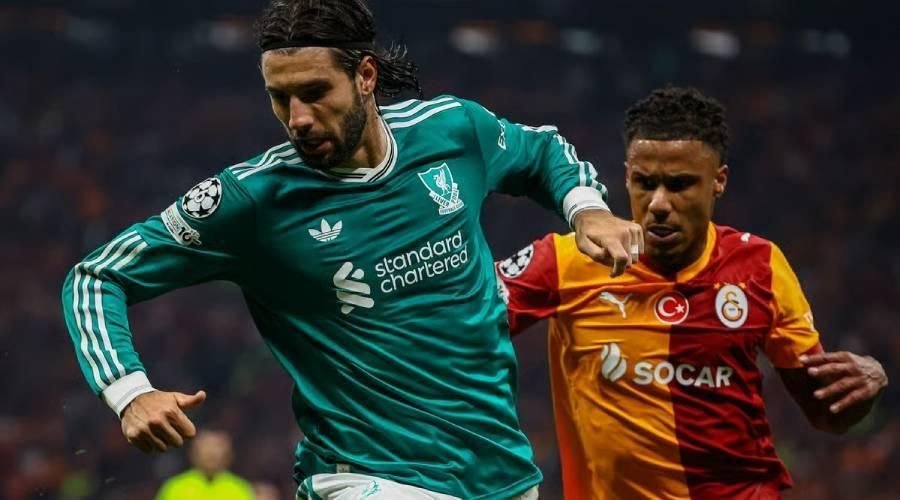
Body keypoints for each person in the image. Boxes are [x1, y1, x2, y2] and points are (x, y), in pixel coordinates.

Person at [60, 1, 642, 498]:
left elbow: (540, 150)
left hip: (502, 474)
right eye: (280, 98)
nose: (297, 118)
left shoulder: (451, 131)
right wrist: (129, 391)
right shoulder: (251, 200)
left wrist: (586, 208)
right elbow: (97, 275)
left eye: (315, 93)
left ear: (365, 75)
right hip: (365, 477)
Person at [497, 87, 889, 499]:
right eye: (645, 183)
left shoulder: (760, 266)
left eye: (680, 185)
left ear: (719, 181)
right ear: (627, 176)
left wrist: (868, 379)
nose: (659, 203)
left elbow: (825, 411)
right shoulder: (569, 261)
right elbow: (461, 318)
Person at [155, 430, 253, 500]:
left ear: (228, 455)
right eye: (206, 447)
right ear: (194, 454)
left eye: (216, 447)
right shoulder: (174, 487)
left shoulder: (240, 488)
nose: (211, 453)